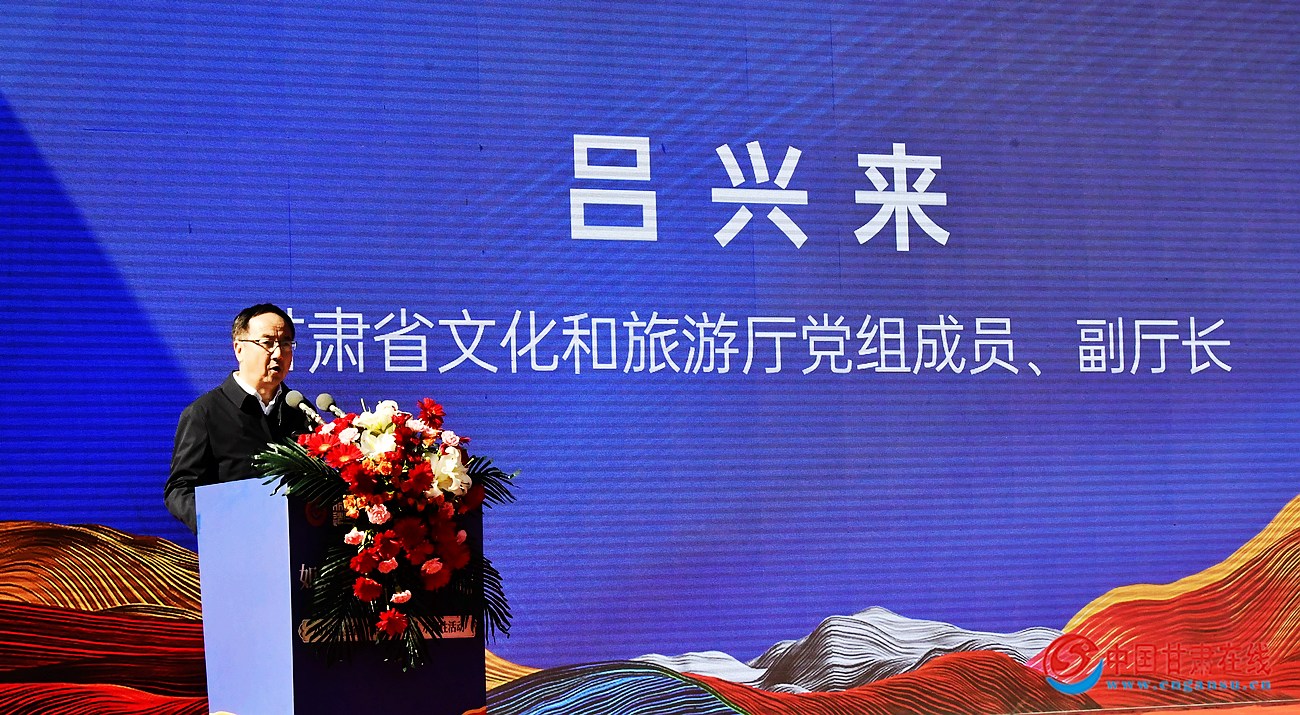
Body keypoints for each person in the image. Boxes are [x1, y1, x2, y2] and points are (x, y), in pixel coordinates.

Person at [165, 303, 312, 533]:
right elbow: (179, 489)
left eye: (285, 343)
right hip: (234, 543)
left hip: (298, 544)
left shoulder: (300, 409)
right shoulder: (205, 413)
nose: (278, 354)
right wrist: (216, 524)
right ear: (239, 349)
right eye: (267, 343)